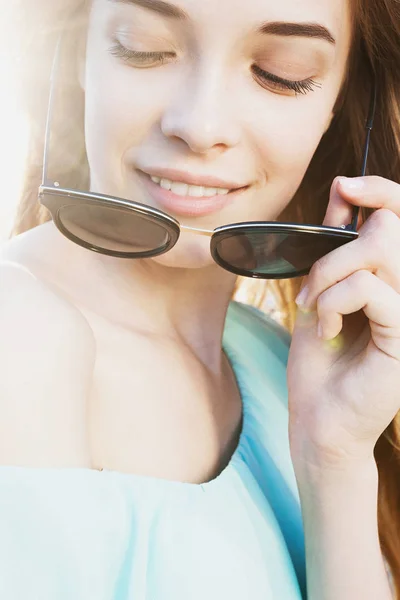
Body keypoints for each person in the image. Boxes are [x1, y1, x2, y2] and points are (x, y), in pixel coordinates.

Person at [1, 0, 400, 598]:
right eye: (143, 46)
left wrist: (334, 458)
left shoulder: (288, 365)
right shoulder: (21, 332)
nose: (201, 124)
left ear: (340, 102)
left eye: (281, 72)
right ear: (75, 52)